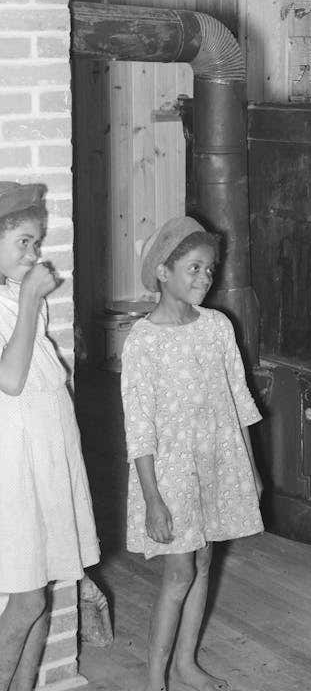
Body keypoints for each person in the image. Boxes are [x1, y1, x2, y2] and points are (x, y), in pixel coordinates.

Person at [121, 216, 263, 691]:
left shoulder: (218, 326)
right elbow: (138, 428)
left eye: (210, 270)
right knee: (179, 570)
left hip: (218, 463)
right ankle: (155, 678)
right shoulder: (143, 341)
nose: (205, 278)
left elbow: (240, 400)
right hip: (169, 475)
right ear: (164, 272)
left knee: (203, 562)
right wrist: (153, 498)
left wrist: (253, 469)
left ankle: (186, 664)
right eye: (194, 268)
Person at [0, 182, 100, 691]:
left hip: (43, 462)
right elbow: (10, 379)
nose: (34, 253)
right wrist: (30, 298)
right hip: (13, 470)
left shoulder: (19, 303)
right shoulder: (9, 305)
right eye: (23, 241)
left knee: (43, 590)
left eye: (37, 242)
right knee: (27, 598)